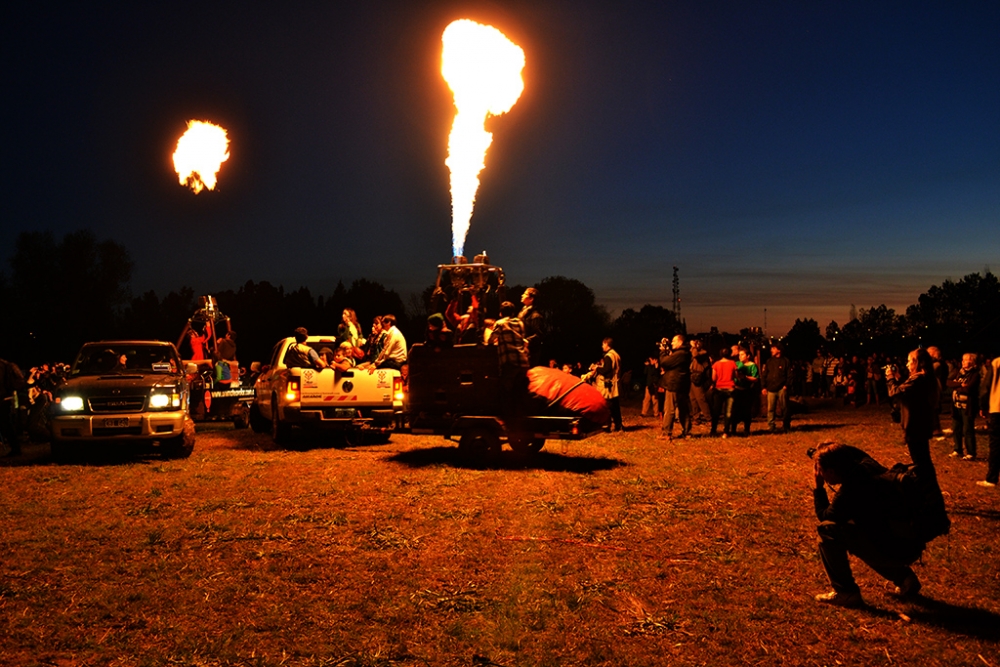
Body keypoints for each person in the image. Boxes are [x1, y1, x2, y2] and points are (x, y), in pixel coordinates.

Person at [811, 442, 926, 607]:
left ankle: (846, 592)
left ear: (830, 471)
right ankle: (904, 578)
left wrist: (818, 487)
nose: (820, 474)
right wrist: (827, 449)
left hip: (895, 550)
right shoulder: (868, 466)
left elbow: (824, 516)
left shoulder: (850, 490)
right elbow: (853, 451)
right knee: (867, 530)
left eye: (821, 470)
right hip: (909, 542)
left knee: (828, 530)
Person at [885, 348, 938, 472]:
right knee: (923, 459)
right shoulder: (924, 378)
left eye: (910, 361)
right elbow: (908, 391)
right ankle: (928, 486)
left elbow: (895, 392)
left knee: (920, 461)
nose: (907, 364)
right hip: (919, 424)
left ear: (918, 363)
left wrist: (890, 378)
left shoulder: (919, 379)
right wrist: (898, 377)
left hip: (916, 425)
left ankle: (927, 487)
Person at [490, 301, 530, 420]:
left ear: (501, 313)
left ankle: (509, 421)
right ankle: (521, 420)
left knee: (505, 392)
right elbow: (522, 338)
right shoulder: (520, 322)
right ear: (513, 312)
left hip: (509, 362)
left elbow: (491, 339)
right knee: (518, 392)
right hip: (523, 361)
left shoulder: (500, 323)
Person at [946, 353, 979, 460]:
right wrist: (960, 385)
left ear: (972, 362)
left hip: (967, 406)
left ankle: (971, 452)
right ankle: (957, 449)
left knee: (968, 429)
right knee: (956, 428)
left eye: (966, 360)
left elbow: (969, 388)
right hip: (956, 405)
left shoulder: (975, 374)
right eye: (963, 360)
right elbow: (948, 382)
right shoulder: (959, 372)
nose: (964, 362)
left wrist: (958, 386)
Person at [659, 334, 691, 440]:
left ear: (680, 342)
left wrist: (663, 351)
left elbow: (665, 362)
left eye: (673, 341)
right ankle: (686, 431)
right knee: (683, 408)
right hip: (682, 383)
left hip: (674, 384)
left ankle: (667, 432)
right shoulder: (685, 352)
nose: (672, 343)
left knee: (669, 408)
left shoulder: (680, 354)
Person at [978, 354, 1000, 488]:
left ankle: (992, 478)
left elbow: (986, 386)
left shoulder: (997, 362)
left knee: (996, 444)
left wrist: (983, 406)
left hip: (997, 407)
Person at [762, 342, 792, 432]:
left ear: (779, 350)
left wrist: (786, 385)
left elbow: (789, 375)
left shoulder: (785, 361)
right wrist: (763, 386)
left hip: (781, 388)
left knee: (784, 407)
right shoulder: (769, 361)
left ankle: (786, 425)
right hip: (771, 388)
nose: (771, 350)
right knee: (770, 408)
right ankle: (771, 425)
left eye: (773, 348)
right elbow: (764, 374)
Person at [595, 338, 623, 433]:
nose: (602, 346)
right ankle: (619, 425)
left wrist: (597, 368)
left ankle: (607, 426)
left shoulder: (608, 356)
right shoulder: (616, 354)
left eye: (603, 344)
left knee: (607, 406)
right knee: (615, 406)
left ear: (607, 344)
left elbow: (606, 370)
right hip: (615, 382)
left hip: (609, 385)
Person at [710, 347, 737, 437]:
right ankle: (726, 431)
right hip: (730, 388)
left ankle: (713, 430)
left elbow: (713, 378)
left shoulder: (716, 364)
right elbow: (735, 375)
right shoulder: (733, 363)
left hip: (719, 388)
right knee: (728, 411)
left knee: (716, 411)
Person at [733, 348, 759, 436]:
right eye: (739, 354)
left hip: (746, 390)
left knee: (746, 410)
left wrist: (745, 377)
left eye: (742, 354)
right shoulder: (737, 364)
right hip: (736, 389)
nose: (740, 356)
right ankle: (733, 429)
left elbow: (755, 378)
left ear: (748, 356)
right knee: (735, 410)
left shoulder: (753, 366)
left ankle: (746, 429)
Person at [688, 339, 712, 426]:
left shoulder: (703, 353)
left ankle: (708, 418)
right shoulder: (693, 351)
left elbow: (695, 355)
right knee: (693, 398)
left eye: (697, 343)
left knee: (700, 398)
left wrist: (693, 347)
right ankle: (696, 417)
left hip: (698, 377)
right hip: (691, 376)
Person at [518, 287, 544, 367]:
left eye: (525, 294)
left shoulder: (535, 316)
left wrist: (527, 341)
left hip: (531, 353)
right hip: (522, 350)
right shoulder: (523, 313)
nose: (522, 295)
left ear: (531, 299)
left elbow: (538, 334)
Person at [641, 354, 661, 419]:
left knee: (655, 400)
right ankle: (643, 412)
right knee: (646, 399)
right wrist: (646, 366)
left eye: (651, 360)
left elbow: (657, 374)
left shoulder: (658, 366)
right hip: (648, 385)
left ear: (655, 360)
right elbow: (644, 373)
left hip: (655, 385)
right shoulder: (649, 366)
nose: (650, 361)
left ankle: (656, 413)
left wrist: (656, 366)